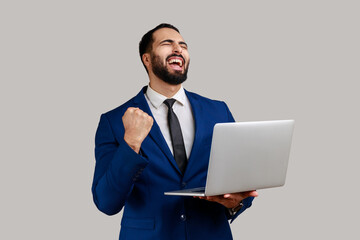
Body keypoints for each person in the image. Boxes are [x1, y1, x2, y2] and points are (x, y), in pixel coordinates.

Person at [92, 23, 258, 240]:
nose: (178, 49)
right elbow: (106, 202)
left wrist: (236, 203)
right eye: (167, 43)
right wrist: (131, 144)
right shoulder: (113, 121)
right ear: (147, 59)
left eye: (183, 45)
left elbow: (240, 178)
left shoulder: (218, 111)